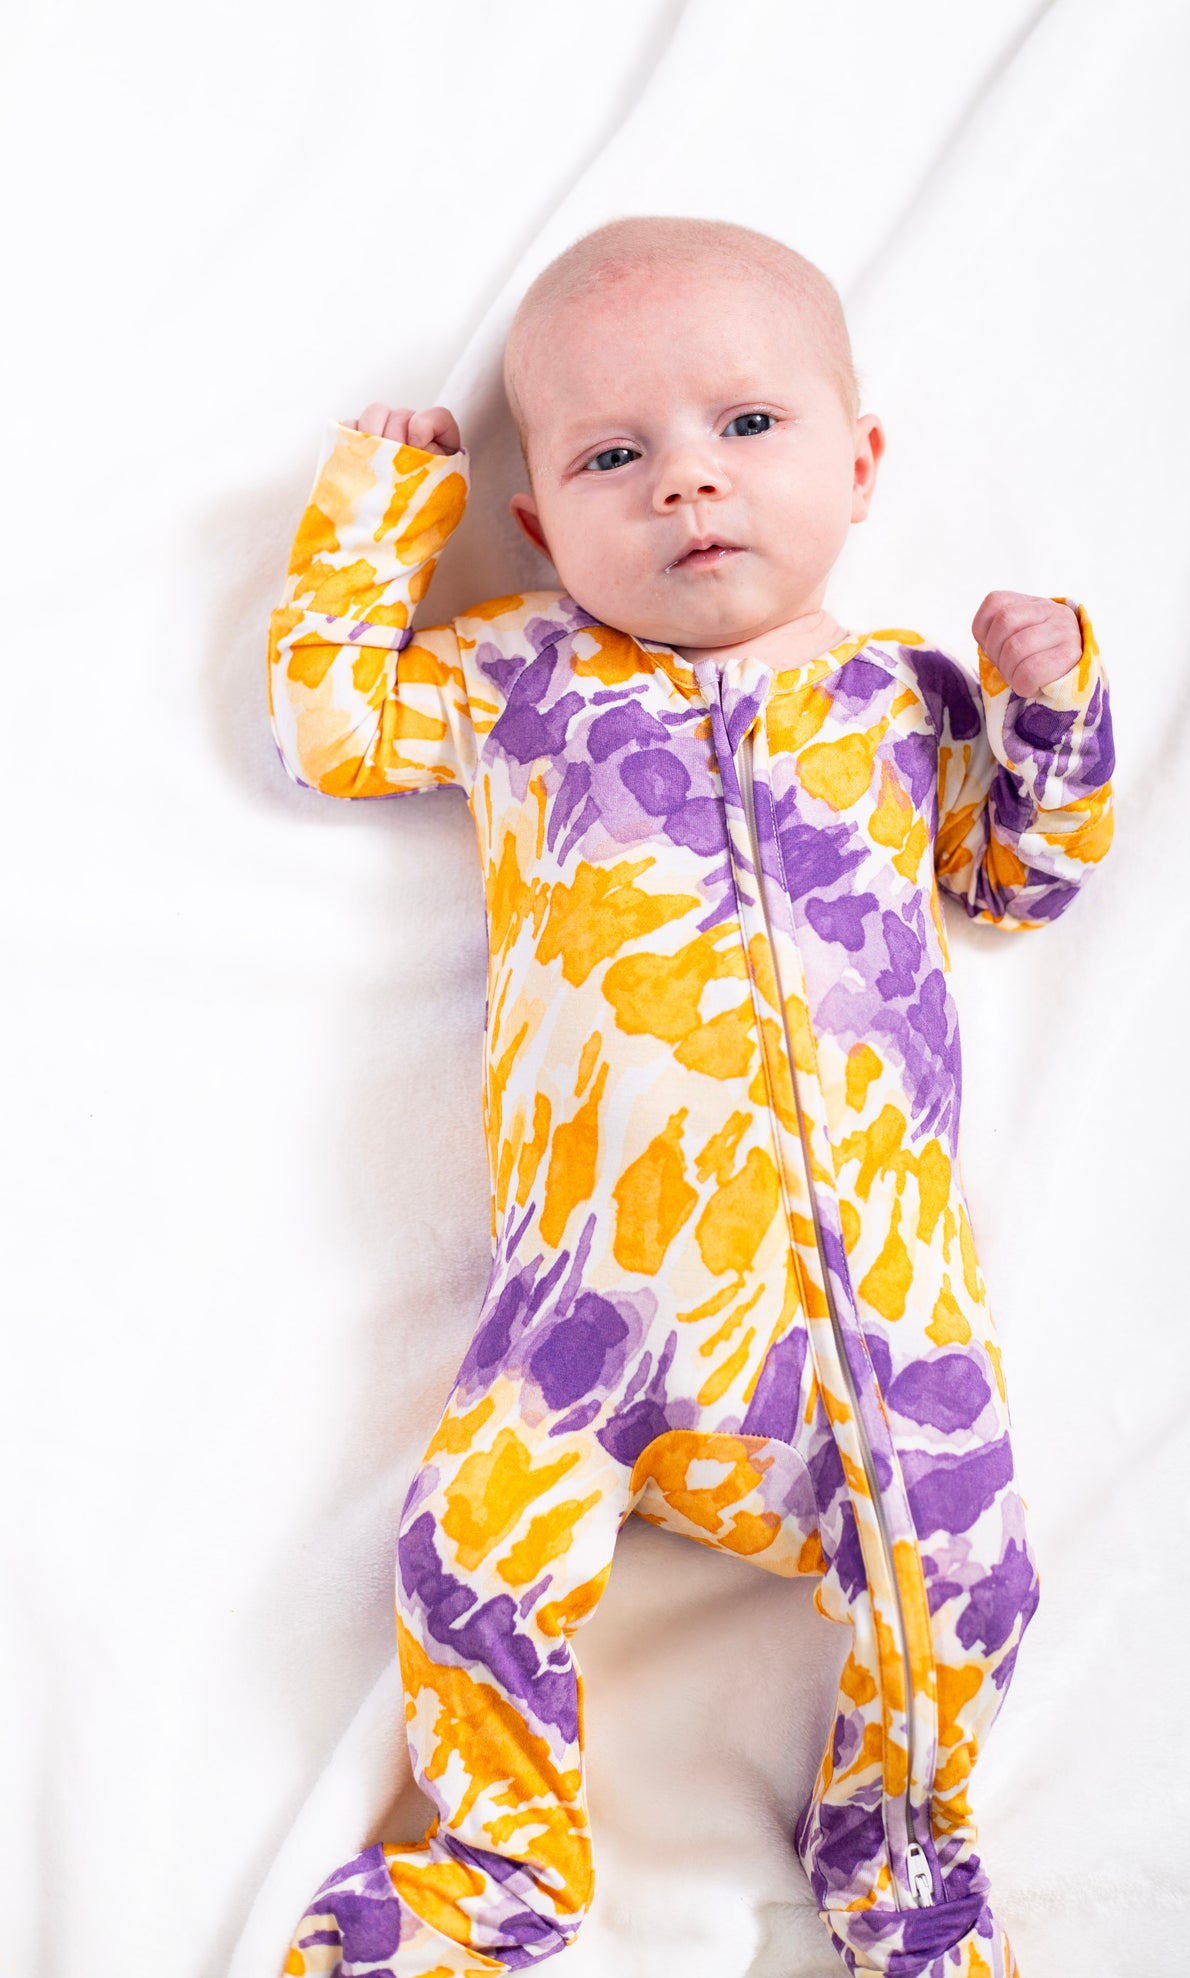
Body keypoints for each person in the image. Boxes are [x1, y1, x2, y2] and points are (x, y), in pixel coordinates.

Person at [268, 214, 1114, 1978]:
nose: (684, 488)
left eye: (746, 427)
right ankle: (498, 1867)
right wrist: (377, 508)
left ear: (858, 459)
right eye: (608, 456)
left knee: (971, 1583)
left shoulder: (897, 699)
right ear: (538, 523)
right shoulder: (522, 678)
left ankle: (893, 1860)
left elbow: (1019, 877)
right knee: (459, 1557)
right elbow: (337, 725)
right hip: (586, 1310)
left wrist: (1050, 712)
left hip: (867, 1327)